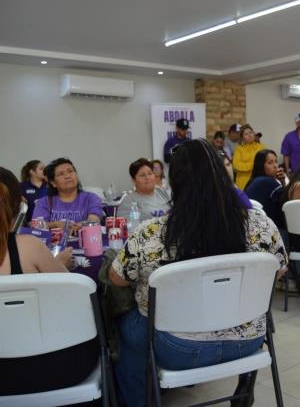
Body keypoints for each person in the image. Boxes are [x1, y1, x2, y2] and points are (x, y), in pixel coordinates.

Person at [109, 139, 287, 407]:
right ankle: (244, 386)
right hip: (247, 341)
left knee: (126, 325)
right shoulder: (261, 224)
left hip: (178, 349)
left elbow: (117, 278)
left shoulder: (150, 233)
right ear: (222, 174)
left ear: (174, 183)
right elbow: (277, 272)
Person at [0, 168, 95, 398]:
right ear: (19, 206)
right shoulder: (28, 246)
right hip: (58, 366)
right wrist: (57, 263)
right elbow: (76, 295)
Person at [32, 158, 103, 232]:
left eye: (70, 171)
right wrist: (55, 224)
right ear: (53, 183)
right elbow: (35, 224)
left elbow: (94, 219)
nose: (67, 176)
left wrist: (80, 225)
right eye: (60, 174)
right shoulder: (44, 202)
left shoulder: (91, 198)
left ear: (77, 176)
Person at [245, 149, 286, 228]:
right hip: (268, 230)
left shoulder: (253, 181)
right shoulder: (268, 182)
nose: (275, 166)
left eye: (276, 161)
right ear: (261, 165)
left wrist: (282, 182)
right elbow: (286, 202)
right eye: (270, 163)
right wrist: (283, 183)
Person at [232, 124, 266, 190]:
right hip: (243, 181)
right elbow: (236, 165)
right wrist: (252, 165)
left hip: (258, 180)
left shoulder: (261, 147)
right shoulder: (239, 149)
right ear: (242, 138)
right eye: (246, 134)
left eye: (250, 132)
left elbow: (265, 162)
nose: (249, 135)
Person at [19, 159, 48, 224]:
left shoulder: (49, 186)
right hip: (29, 225)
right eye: (41, 169)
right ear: (32, 172)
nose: (45, 171)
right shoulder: (22, 186)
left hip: (48, 224)